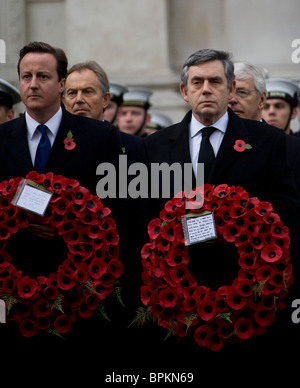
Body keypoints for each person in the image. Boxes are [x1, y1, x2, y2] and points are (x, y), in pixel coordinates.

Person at [143, 48, 300, 378]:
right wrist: (198, 229)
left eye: (215, 81)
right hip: (180, 300)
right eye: (197, 82)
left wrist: (235, 227)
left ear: (230, 90)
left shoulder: (268, 141)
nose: (206, 89)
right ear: (184, 92)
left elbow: (286, 209)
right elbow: (147, 218)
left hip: (251, 300)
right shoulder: (156, 146)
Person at [0, 41, 143, 382]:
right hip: (14, 296)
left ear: (61, 84)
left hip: (82, 297)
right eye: (26, 76)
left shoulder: (100, 136)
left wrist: (68, 230)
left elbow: (120, 212)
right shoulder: (2, 138)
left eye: (43, 76)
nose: (33, 84)